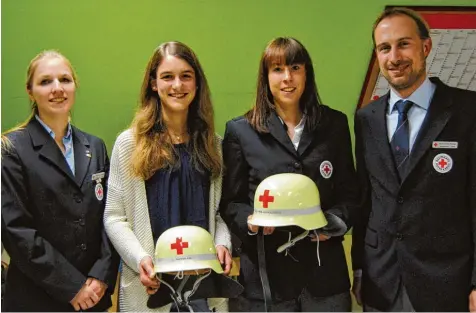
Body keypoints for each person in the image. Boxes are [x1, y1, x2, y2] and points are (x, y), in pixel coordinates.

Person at [220, 37, 359, 312]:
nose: (287, 78)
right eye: (277, 69)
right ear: (265, 77)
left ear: (306, 73)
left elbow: (351, 194)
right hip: (266, 281)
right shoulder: (240, 131)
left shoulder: (334, 124)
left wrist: (334, 222)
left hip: (325, 280)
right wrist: (250, 221)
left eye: (295, 67)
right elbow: (230, 202)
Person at [351, 7, 476, 312]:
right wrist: (359, 269)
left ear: (426, 46)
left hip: (447, 282)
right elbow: (365, 202)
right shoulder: (366, 118)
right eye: (384, 48)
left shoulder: (467, 110)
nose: (394, 57)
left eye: (403, 44)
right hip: (382, 282)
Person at [103, 41, 232, 312]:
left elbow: (222, 214)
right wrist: (140, 260)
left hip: (201, 285)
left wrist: (222, 243)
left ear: (197, 85)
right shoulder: (129, 145)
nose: (177, 85)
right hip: (150, 286)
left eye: (186, 76)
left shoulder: (214, 145)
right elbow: (114, 217)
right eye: (167, 77)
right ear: (153, 84)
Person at [1, 50, 119, 312]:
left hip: (94, 299)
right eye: (45, 82)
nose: (57, 89)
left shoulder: (95, 147)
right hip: (37, 299)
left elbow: (111, 216)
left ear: (75, 85)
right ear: (30, 91)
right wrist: (73, 287)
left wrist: (101, 276)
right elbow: (16, 230)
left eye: (65, 80)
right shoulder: (11, 149)